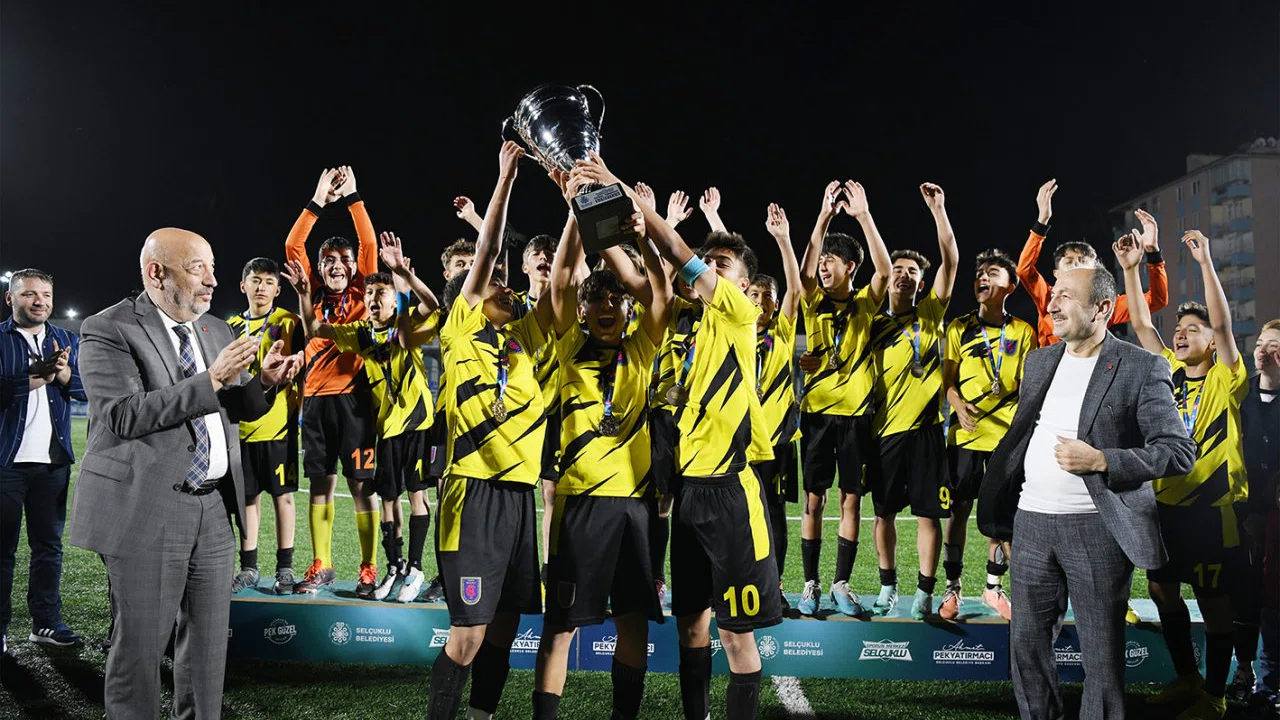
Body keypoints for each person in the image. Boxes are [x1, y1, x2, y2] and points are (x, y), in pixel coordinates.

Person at [572, 152, 782, 719]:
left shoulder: (738, 315)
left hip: (731, 493)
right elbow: (638, 273)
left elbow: (681, 256)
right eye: (711, 262)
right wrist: (589, 206)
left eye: (721, 265)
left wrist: (618, 185)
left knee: (735, 635)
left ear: (743, 285)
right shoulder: (677, 325)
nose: (709, 268)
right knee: (692, 626)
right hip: (686, 495)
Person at [71, 228, 301, 719]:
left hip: (214, 509)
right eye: (198, 268)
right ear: (156, 273)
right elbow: (124, 415)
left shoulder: (216, 329)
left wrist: (264, 381)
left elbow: (237, 407)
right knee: (140, 654)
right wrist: (212, 378)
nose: (213, 280)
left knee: (207, 654)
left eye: (212, 268)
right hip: (147, 507)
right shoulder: (108, 328)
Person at [978, 263, 1197, 720]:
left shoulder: (1142, 366)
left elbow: (1178, 452)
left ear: (1101, 308)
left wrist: (1103, 460)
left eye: (1065, 297)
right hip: (1031, 523)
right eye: (1053, 294)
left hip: (1097, 530)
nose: (1052, 304)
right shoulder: (1039, 361)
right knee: (1027, 648)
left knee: (1101, 659)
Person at [427, 142, 561, 720]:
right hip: (473, 493)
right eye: (494, 286)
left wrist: (575, 203)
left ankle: (481, 715)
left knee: (505, 626)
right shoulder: (461, 329)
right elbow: (486, 251)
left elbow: (560, 280)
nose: (506, 288)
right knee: (469, 635)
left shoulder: (522, 339)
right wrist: (504, 179)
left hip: (518, 496)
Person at [532, 184, 669, 720]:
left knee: (633, 621)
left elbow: (659, 291)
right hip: (580, 505)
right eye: (597, 300)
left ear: (627, 308)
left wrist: (644, 234)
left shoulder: (642, 347)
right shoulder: (568, 347)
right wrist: (576, 213)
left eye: (616, 299)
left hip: (634, 507)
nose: (607, 306)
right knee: (560, 625)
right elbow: (562, 278)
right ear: (583, 310)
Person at [1120, 223, 1249, 720]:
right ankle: (1187, 678)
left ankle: (1215, 695)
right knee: (1160, 589)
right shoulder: (1167, 372)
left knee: (1214, 601)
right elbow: (1141, 326)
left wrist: (1205, 263)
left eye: (1192, 329)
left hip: (1212, 511)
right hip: (1165, 507)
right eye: (1180, 329)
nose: (1181, 333)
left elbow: (1225, 326)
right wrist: (1131, 269)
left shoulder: (1226, 377)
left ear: (1212, 342)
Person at [287, 232, 442, 602]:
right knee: (387, 497)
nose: (373, 299)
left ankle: (415, 569)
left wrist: (403, 274)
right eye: (370, 293)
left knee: (415, 495)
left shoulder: (405, 324)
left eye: (381, 294)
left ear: (392, 300)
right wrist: (305, 293)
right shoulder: (359, 333)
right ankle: (394, 567)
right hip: (386, 426)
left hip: (416, 424)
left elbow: (432, 304)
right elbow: (314, 329)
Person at [794, 180, 891, 617]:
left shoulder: (866, 304)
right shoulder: (812, 302)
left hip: (855, 417)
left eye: (831, 261)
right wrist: (823, 216)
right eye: (822, 261)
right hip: (816, 415)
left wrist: (863, 216)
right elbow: (803, 271)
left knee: (852, 499)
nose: (822, 267)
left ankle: (840, 583)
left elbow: (884, 271)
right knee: (813, 500)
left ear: (851, 266)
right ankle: (810, 583)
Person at [283, 166, 381, 596]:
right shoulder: (311, 293)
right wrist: (318, 200)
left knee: (361, 485)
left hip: (356, 401)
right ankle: (321, 564)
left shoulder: (363, 291)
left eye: (344, 259)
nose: (337, 265)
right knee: (320, 484)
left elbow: (369, 244)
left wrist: (354, 198)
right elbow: (293, 245)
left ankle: (368, 568)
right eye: (328, 260)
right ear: (319, 267)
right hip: (316, 401)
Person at [866, 183, 959, 619]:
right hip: (882, 431)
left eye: (913, 272)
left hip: (925, 431)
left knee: (928, 516)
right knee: (882, 516)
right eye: (898, 269)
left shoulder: (931, 313)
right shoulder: (868, 320)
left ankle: (924, 592)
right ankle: (888, 586)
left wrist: (939, 211)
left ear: (922, 283)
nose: (904, 275)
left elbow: (951, 260)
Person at [939, 249, 1038, 620]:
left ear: (1010, 286)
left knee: (1000, 517)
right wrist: (958, 404)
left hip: (1005, 441)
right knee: (958, 512)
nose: (982, 276)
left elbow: (1027, 388)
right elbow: (947, 381)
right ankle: (952, 587)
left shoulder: (1023, 332)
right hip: (965, 436)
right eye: (980, 272)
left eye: (992, 272)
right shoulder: (957, 327)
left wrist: (1020, 432)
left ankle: (993, 588)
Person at [1, 269, 86, 652]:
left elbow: (89, 388)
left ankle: (46, 623)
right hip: (5, 461)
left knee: (49, 548)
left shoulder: (67, 339)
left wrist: (63, 373)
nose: (40, 301)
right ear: (11, 299)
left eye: (46, 295)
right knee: (2, 550)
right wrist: (34, 377)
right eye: (29, 294)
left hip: (53, 463)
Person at [226, 258, 304, 595]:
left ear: (278, 289)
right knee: (248, 500)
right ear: (243, 285)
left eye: (269, 281)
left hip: (279, 427)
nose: (261, 287)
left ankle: (285, 568)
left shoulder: (289, 322)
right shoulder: (229, 326)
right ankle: (249, 567)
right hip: (241, 429)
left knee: (283, 498)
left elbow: (304, 364)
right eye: (255, 280)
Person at [1018, 179, 1168, 347]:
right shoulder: (1047, 297)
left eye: (1082, 261)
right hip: (1051, 364)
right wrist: (1042, 221)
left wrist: (1153, 252)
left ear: (1095, 271)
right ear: (1057, 274)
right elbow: (1024, 270)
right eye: (1069, 261)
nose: (1076, 265)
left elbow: (1156, 300)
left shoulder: (1105, 305)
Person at [751, 204, 803, 611]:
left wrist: (783, 240)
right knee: (735, 518)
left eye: (767, 296)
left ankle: (776, 586)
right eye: (753, 294)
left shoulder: (783, 333)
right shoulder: (729, 330)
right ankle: (735, 586)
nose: (761, 301)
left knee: (774, 517)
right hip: (739, 444)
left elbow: (796, 290)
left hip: (778, 444)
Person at [1241, 319, 1280, 711]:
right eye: (1261, 343)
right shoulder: (1242, 394)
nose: (1263, 350)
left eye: (1274, 345)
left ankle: (1268, 683)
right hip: (1242, 508)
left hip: (1276, 516)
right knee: (1244, 592)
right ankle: (1246, 672)